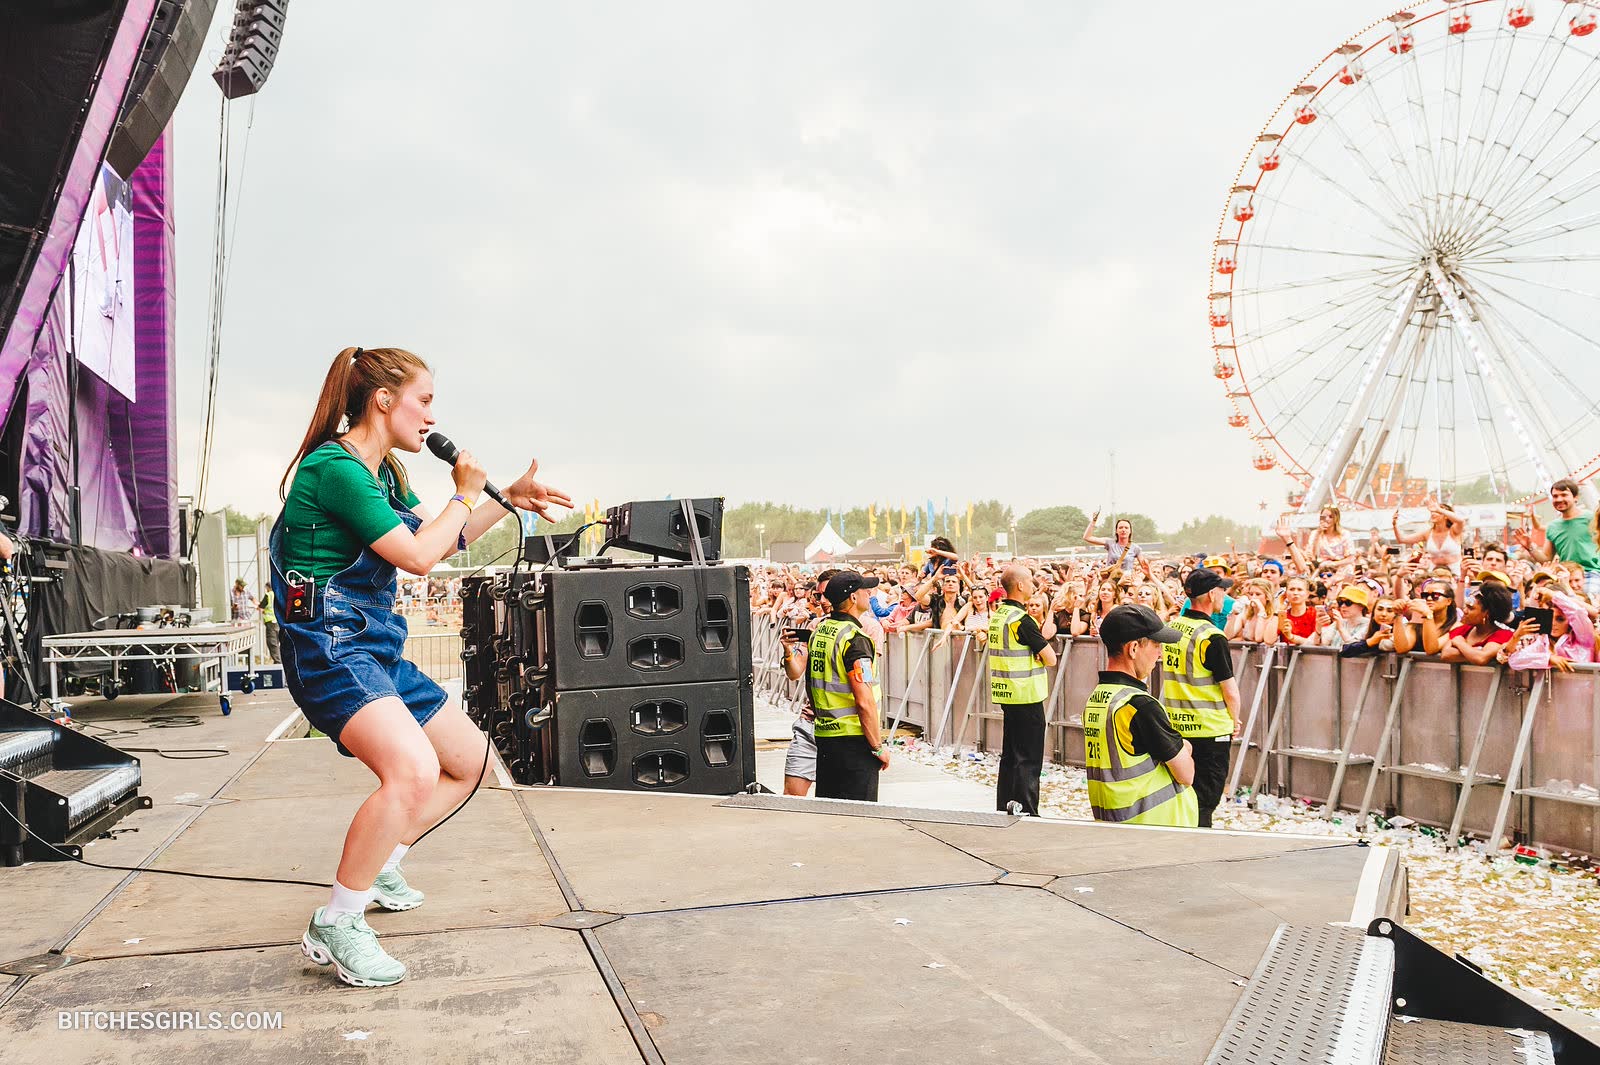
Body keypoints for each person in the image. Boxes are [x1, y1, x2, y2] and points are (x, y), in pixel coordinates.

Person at [274, 346, 570, 988]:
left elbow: (441, 537)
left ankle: (381, 861)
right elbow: (416, 558)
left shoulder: (383, 474)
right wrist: (464, 492)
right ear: (384, 400)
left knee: (473, 763)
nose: (433, 417)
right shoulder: (335, 469)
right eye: (425, 400)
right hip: (328, 648)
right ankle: (338, 920)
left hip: (373, 647)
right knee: (412, 770)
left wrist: (506, 500)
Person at [1082, 604, 1197, 827]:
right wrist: (1185, 746)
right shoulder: (1140, 705)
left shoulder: (1098, 698)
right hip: (1157, 827)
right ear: (1133, 648)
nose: (1160, 654)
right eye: (1156, 645)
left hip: (1119, 825)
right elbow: (1186, 774)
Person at [1163, 567, 1240, 828]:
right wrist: (1234, 720)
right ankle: (1196, 844)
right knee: (1205, 800)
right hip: (1210, 729)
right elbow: (1230, 690)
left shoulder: (1173, 628)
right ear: (1210, 594)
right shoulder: (1212, 636)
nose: (1224, 596)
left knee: (1183, 795)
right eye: (1221, 590)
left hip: (1176, 726)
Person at [807, 571, 890, 800]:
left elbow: (810, 684)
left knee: (831, 810)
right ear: (853, 597)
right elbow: (864, 700)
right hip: (854, 739)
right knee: (859, 815)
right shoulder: (855, 639)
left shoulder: (820, 632)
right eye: (865, 590)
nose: (869, 594)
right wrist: (877, 747)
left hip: (826, 735)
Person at [988, 564, 1059, 816]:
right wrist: (1039, 655)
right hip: (1026, 694)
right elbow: (1051, 658)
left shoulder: (999, 615)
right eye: (1030, 581)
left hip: (1007, 693)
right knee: (1028, 758)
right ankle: (1027, 810)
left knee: (1010, 755)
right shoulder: (1021, 620)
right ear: (1019, 585)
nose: (1033, 585)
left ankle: (1005, 806)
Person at [780, 569, 841, 797]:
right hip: (810, 724)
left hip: (844, 729)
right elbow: (795, 672)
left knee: (838, 801)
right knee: (791, 797)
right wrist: (788, 652)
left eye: (828, 594)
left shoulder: (866, 628)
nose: (822, 601)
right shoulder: (815, 626)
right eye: (818, 595)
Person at [1516, 479, 1600, 599]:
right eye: (1555, 496)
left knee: (1590, 605)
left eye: (1564, 495)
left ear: (1575, 497)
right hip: (1565, 576)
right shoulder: (1552, 526)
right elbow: (1546, 558)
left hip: (1590, 573)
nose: (1559, 499)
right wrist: (1530, 547)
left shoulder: (1591, 518)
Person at [1440, 581, 1514, 665]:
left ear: (1487, 613)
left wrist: (1460, 643)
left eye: (1471, 608)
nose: (1465, 611)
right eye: (1466, 606)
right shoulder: (1463, 629)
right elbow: (1446, 654)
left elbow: (1481, 658)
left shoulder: (1503, 635)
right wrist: (1476, 651)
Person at [259, 586, 280, 663]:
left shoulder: (268, 595)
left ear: (267, 587)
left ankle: (278, 661)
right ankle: (280, 660)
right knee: (278, 641)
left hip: (270, 622)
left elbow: (261, 607)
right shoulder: (278, 593)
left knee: (272, 642)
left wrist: (262, 610)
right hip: (278, 621)